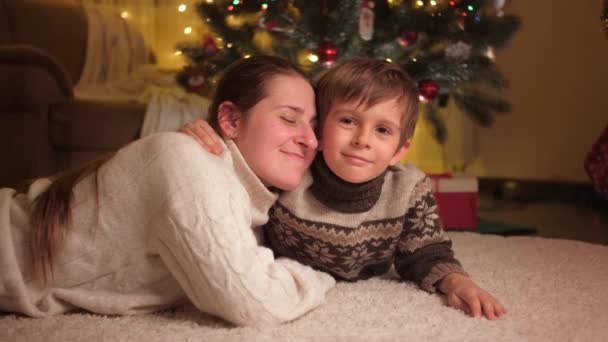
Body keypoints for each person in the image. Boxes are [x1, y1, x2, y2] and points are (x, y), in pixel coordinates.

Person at [0, 56, 335, 326]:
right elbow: (255, 303)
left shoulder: (248, 197)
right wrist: (322, 279)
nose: (311, 140)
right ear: (231, 120)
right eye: (289, 119)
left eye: (314, 126)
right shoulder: (189, 162)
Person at [182, 58, 507, 320]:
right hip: (285, 282)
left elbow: (425, 251)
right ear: (319, 130)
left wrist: (456, 280)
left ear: (398, 150)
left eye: (382, 130)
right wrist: (205, 134)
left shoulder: (406, 188)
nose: (362, 139)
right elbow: (239, 173)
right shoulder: (293, 173)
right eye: (348, 121)